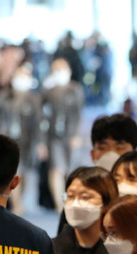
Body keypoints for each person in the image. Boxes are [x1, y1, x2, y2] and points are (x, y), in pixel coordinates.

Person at [0, 64, 42, 215]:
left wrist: (40, 143)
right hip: (10, 141)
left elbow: (39, 122)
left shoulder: (34, 99)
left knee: (25, 174)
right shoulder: (5, 96)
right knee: (15, 172)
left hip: (28, 142)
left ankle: (19, 200)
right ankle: (17, 204)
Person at [38, 57, 85, 210]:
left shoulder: (75, 89)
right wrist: (42, 142)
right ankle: (59, 205)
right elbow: (42, 114)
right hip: (53, 136)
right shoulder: (48, 91)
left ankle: (72, 199)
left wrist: (77, 135)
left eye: (62, 69)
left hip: (70, 135)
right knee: (56, 168)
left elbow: (79, 114)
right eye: (56, 70)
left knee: (71, 170)